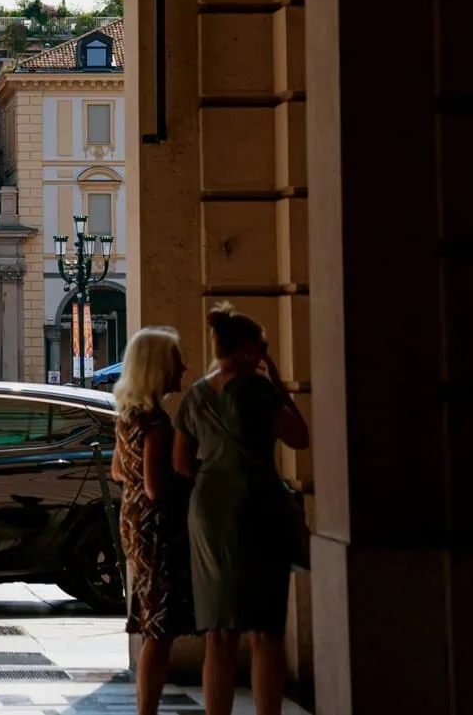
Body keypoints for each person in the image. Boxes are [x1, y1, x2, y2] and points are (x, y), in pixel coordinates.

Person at [172, 304, 310, 715]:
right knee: (266, 632)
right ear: (247, 348)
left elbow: (181, 464)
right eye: (262, 346)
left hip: (209, 514)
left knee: (219, 635)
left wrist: (215, 477)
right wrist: (279, 385)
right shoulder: (258, 390)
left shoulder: (195, 395)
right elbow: (299, 437)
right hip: (259, 508)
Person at [110, 328, 194, 715]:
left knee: (152, 625)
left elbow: (117, 471)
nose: (183, 368)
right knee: (159, 630)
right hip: (157, 531)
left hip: (133, 522)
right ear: (158, 367)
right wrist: (192, 476)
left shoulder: (128, 416)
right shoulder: (157, 424)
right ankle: (147, 710)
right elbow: (156, 487)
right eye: (176, 360)